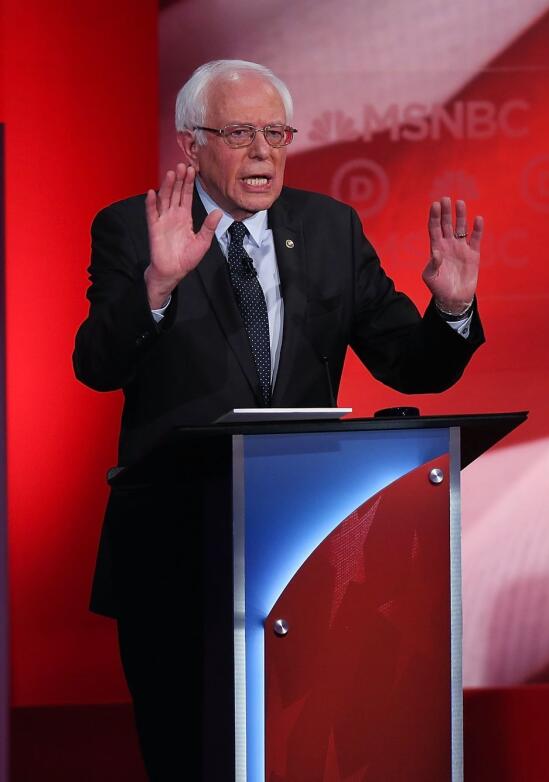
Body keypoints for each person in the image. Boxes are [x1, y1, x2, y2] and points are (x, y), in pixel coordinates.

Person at [73, 59, 485, 780]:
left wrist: (451, 310)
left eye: (275, 132)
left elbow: (409, 365)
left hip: (304, 557)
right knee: (188, 758)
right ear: (190, 145)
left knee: (300, 756)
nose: (263, 151)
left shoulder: (329, 229)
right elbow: (96, 365)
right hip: (175, 556)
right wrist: (159, 286)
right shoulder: (133, 231)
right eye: (239, 133)